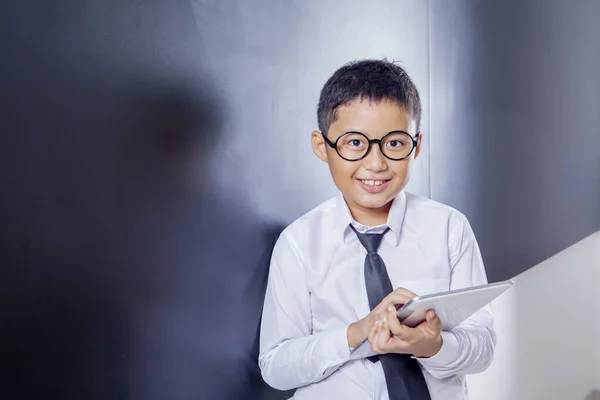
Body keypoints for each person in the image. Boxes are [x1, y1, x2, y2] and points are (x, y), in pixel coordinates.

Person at [258, 59, 496, 399]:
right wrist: (358, 333)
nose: (376, 163)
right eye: (355, 143)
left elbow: (483, 346)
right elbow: (276, 365)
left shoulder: (449, 228)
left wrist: (434, 345)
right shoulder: (298, 243)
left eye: (395, 143)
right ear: (322, 146)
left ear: (418, 144)